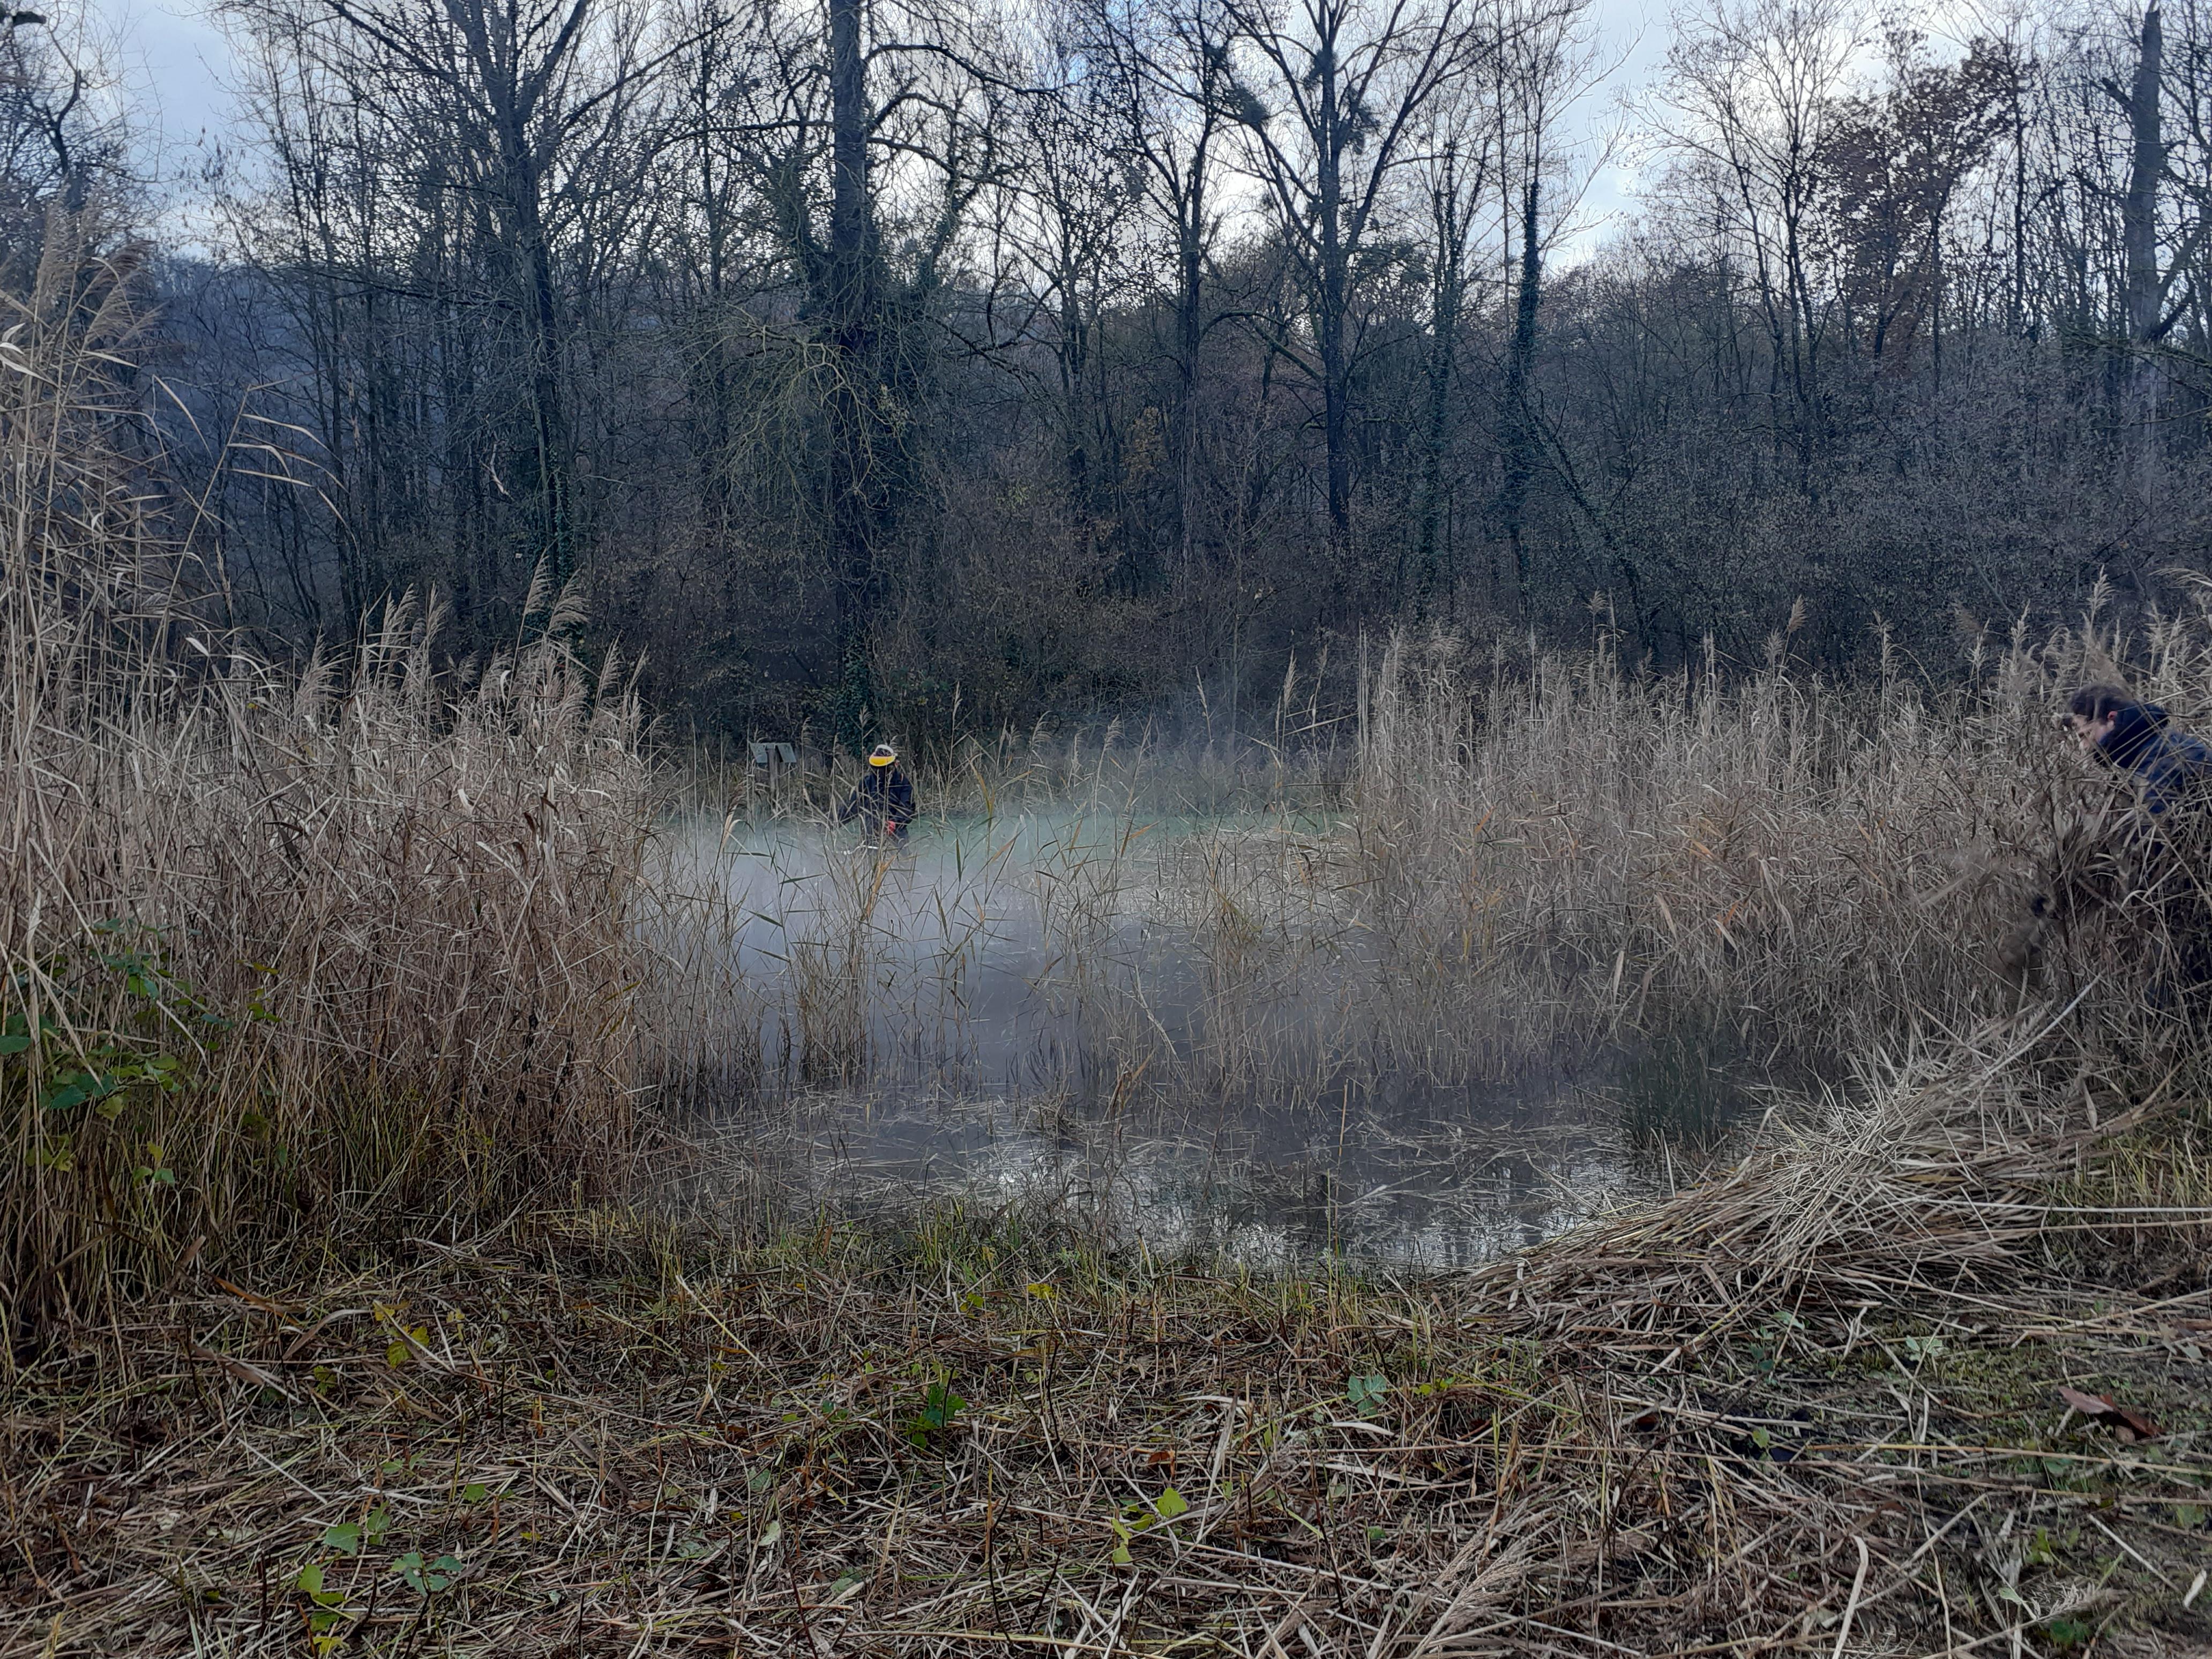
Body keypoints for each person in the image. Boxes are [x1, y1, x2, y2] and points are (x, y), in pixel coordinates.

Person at [2001, 685, 2212, 1002]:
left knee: (2167, 1004)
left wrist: (2093, 888)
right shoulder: (2150, 754)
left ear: (2111, 719)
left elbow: (2148, 851)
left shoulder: (2162, 762)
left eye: (2085, 735)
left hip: (2197, 917)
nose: (2083, 749)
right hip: (2191, 913)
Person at [837, 743, 916, 840]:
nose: (880, 771)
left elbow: (907, 808)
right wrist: (829, 824)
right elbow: (850, 808)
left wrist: (894, 823)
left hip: (897, 836)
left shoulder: (903, 783)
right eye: (876, 768)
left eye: (884, 768)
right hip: (870, 836)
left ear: (895, 764)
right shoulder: (866, 783)